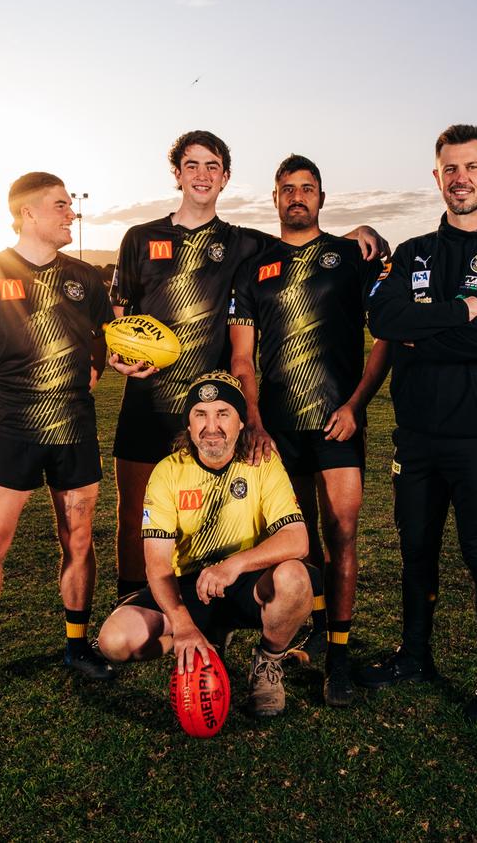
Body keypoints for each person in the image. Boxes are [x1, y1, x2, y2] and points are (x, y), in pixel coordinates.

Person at [109, 130, 390, 603]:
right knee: (134, 513)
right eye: (193, 166)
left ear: (226, 178)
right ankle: (132, 611)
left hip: (213, 411)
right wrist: (120, 354)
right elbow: (120, 317)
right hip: (148, 401)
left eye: (212, 166)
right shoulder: (139, 238)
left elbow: (303, 246)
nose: (202, 175)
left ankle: (218, 607)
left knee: (216, 513)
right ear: (177, 173)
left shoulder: (243, 245)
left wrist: (356, 236)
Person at [359, 124, 477, 722]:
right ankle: (415, 656)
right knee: (416, 551)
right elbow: (383, 316)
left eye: (471, 167)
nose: (460, 178)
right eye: (450, 169)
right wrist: (459, 312)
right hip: (417, 437)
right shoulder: (412, 252)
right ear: (436, 177)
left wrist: (420, 333)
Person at [229, 155, 391, 707]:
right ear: (274, 198)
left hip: (337, 421)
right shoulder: (255, 267)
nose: (297, 196)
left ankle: (339, 659)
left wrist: (356, 404)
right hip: (276, 429)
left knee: (341, 534)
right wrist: (252, 420)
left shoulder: (350, 256)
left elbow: (385, 335)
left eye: (308, 188)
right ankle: (318, 629)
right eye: (287, 189)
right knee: (296, 542)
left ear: (321, 197)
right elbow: (243, 358)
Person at [0, 172, 116, 701]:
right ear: (28, 214)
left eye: (71, 205)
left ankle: (76, 643)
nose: (72, 214)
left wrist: (100, 373)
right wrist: (6, 413)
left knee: (80, 539)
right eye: (61, 206)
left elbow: (102, 345)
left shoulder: (86, 278)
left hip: (75, 430)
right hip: (14, 432)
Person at [98, 371, 313, 718]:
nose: (211, 426)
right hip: (189, 588)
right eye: (201, 414)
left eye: (222, 413)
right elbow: (157, 564)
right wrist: (182, 624)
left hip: (245, 585)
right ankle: (205, 641)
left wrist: (233, 566)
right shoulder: (168, 471)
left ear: (242, 421)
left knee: (294, 578)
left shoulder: (262, 462)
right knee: (115, 640)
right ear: (188, 422)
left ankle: (268, 664)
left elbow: (297, 539)